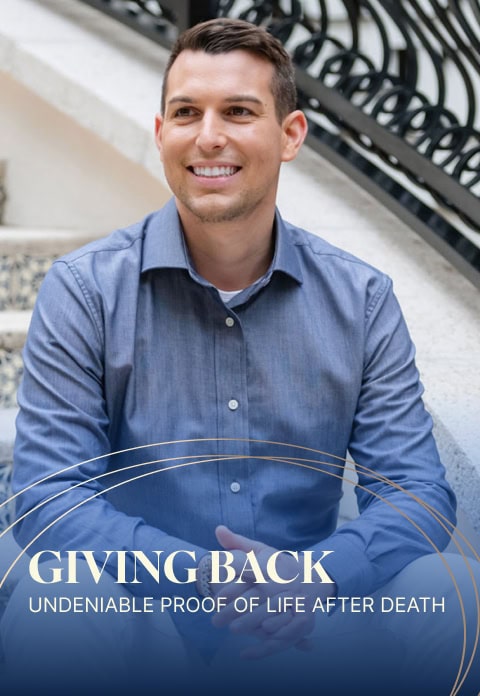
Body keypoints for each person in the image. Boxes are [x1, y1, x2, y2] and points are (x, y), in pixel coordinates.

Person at [1, 17, 479, 695]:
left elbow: (418, 493)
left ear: (291, 136)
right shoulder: (86, 292)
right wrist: (203, 574)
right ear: (162, 133)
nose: (209, 135)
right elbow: (47, 495)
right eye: (187, 112)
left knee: (450, 587)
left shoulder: (361, 299)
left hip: (309, 619)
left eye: (239, 112)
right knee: (58, 608)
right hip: (142, 618)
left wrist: (318, 576)